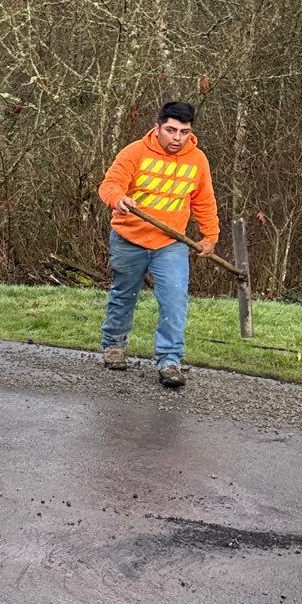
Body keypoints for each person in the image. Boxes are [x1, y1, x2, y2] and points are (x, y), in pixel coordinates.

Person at [98, 101, 219, 389]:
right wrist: (119, 199)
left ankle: (170, 360)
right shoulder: (135, 152)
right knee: (124, 294)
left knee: (175, 298)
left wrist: (209, 237)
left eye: (184, 132)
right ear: (158, 127)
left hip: (171, 242)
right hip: (129, 238)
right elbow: (110, 184)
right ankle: (114, 345)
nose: (177, 138)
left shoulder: (197, 160)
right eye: (171, 130)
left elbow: (203, 200)